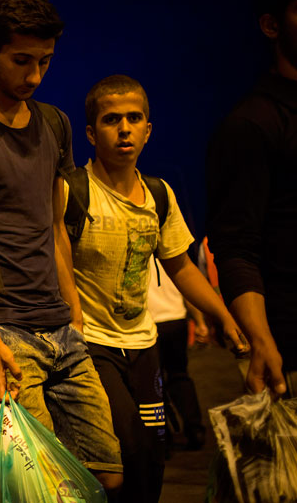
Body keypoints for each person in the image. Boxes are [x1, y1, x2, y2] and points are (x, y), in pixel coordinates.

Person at [0, 0, 123, 492]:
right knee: (40, 486)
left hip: (60, 326)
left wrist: (74, 312)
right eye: (22, 60)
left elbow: (55, 226)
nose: (35, 75)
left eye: (45, 61)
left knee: (108, 474)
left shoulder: (55, 124)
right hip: (4, 331)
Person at [71, 75, 248, 503]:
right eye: (112, 120)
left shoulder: (158, 194)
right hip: (93, 345)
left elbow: (181, 266)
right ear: (93, 133)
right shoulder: (73, 192)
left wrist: (225, 317)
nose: (125, 128)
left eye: (135, 119)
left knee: (152, 456)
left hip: (143, 344)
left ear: (148, 130)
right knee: (124, 447)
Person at [205, 0, 295, 397]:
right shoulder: (251, 125)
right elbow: (236, 246)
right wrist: (260, 338)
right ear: (271, 26)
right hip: (290, 353)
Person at [147, 255, 209, 452]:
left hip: (149, 323)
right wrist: (200, 321)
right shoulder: (171, 254)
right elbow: (186, 285)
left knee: (153, 383)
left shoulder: (134, 250)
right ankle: (195, 429)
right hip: (176, 319)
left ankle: (163, 437)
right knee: (180, 375)